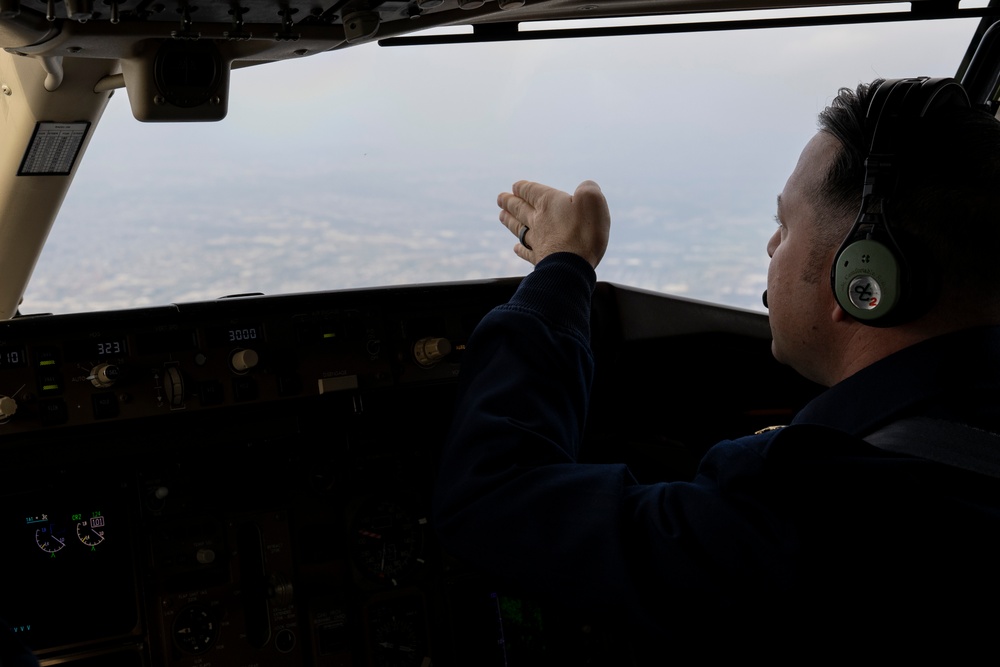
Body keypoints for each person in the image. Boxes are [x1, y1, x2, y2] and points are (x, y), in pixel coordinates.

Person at [432, 77, 1000, 659]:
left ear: (865, 276)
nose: (772, 247)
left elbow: (491, 503)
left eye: (786, 225)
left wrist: (562, 269)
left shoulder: (816, 511)